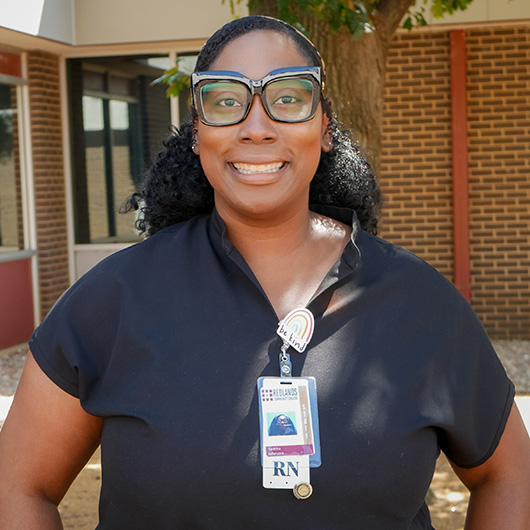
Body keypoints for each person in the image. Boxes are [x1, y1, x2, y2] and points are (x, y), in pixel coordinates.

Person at [0, 15, 529, 530]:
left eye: (288, 98)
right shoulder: (113, 299)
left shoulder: (420, 303)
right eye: (226, 101)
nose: (257, 127)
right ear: (197, 132)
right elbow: (19, 487)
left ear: (324, 127)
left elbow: (509, 475)